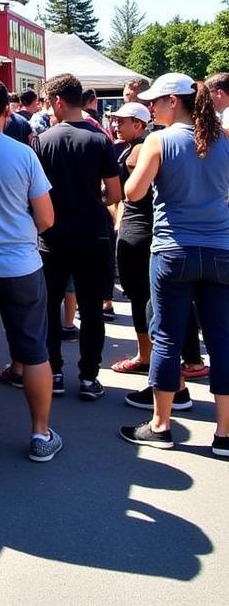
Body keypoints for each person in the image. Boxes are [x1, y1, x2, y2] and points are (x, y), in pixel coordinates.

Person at [119, 73, 229, 457]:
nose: (150, 107)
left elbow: (133, 192)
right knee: (221, 339)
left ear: (173, 101)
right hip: (220, 249)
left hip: (172, 250)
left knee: (166, 334)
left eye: (155, 101)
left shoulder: (159, 140)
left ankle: (161, 425)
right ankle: (225, 434)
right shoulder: (222, 139)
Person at [0, 78, 62, 462]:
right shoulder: (24, 154)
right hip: (22, 266)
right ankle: (39, 435)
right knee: (35, 353)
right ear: (7, 111)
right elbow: (47, 218)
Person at [33, 73, 121, 401]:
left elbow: (35, 194)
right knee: (91, 309)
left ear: (58, 101)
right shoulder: (100, 140)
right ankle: (88, 376)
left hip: (53, 235)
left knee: (49, 307)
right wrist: (92, 197)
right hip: (93, 234)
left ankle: (53, 372)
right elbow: (115, 193)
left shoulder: (42, 141)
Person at [110, 102, 155, 375]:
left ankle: (147, 358)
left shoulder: (140, 151)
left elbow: (131, 193)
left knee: (142, 299)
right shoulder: (137, 147)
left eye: (122, 121)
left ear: (138, 124)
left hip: (140, 233)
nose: (116, 125)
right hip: (142, 231)